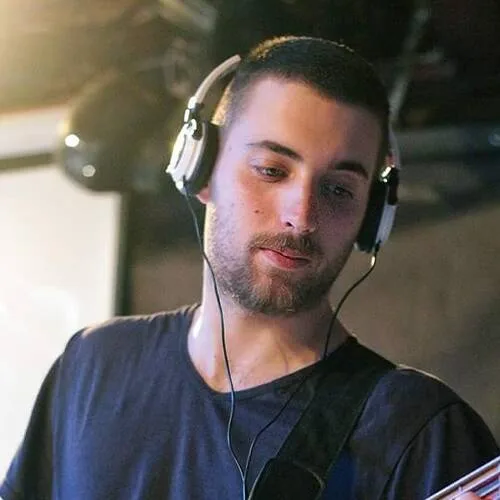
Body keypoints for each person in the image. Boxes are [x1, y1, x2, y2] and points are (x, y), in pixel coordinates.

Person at [1, 36, 498, 500]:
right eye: (271, 170)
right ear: (200, 169)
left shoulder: (417, 430)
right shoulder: (93, 364)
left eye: (338, 189)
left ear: (372, 217)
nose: (301, 215)